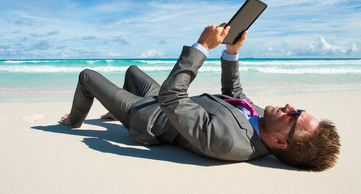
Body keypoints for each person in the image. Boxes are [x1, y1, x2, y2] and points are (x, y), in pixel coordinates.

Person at [60, 23, 340, 171]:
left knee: (87, 76)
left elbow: (171, 98)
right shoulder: (263, 123)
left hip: (150, 117)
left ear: (280, 142)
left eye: (294, 116)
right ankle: (113, 110)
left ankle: (73, 120)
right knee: (133, 70)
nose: (290, 107)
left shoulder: (229, 143)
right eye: (299, 108)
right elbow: (235, 95)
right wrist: (231, 52)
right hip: (168, 100)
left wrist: (203, 47)